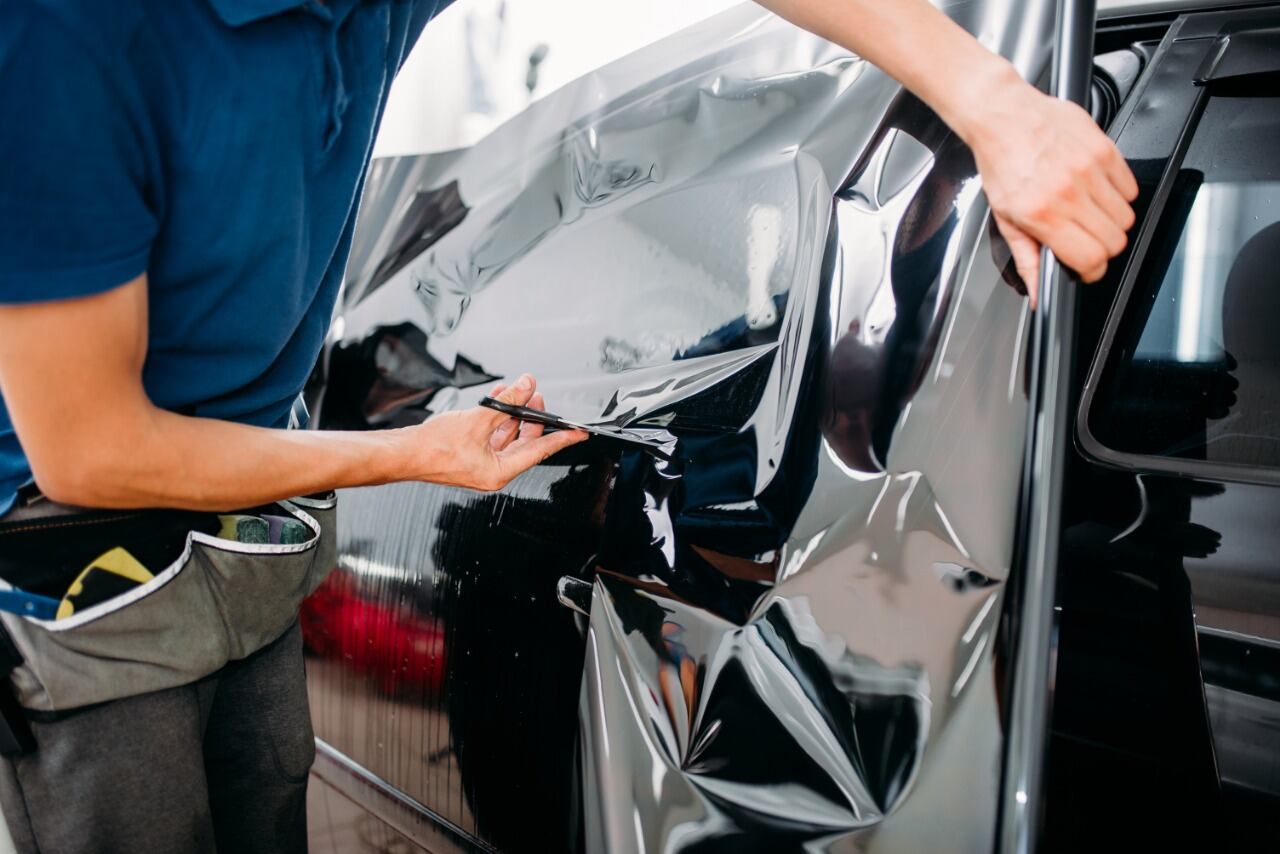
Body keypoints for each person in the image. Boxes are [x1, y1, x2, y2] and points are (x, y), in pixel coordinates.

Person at [0, 0, 1138, 851]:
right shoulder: (67, 40)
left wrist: (993, 101)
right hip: (83, 567)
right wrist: (411, 453)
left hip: (248, 533)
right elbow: (93, 449)